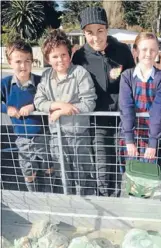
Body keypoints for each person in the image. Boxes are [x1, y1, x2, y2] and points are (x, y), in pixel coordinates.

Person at [72, 6, 135, 196]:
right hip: (97, 121)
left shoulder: (122, 51)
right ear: (84, 33)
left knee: (119, 163)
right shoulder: (80, 56)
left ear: (107, 29)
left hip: (120, 120)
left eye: (100, 31)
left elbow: (132, 82)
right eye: (89, 32)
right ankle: (104, 198)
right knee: (102, 164)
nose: (95, 37)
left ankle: (116, 199)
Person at [34, 29, 97, 195]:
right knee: (63, 175)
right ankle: (68, 210)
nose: (60, 60)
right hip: (57, 136)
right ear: (48, 59)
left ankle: (85, 212)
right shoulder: (46, 77)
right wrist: (60, 105)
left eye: (63, 54)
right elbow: (38, 101)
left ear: (70, 54)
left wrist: (62, 112)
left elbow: (89, 103)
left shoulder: (80, 74)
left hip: (78, 136)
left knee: (82, 174)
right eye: (54, 56)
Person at [1, 39, 53, 192]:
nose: (23, 66)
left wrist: (34, 106)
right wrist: (6, 108)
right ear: (9, 62)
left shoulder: (40, 82)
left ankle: (50, 198)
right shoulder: (5, 84)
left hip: (43, 136)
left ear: (32, 61)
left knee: (49, 168)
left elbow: (50, 99)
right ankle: (34, 197)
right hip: (22, 139)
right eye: (18, 61)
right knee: (29, 172)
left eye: (27, 61)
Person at [119, 32, 161, 172]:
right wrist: (129, 140)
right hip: (131, 133)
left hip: (153, 134)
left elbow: (158, 110)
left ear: (157, 52)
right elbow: (126, 107)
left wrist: (152, 142)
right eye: (144, 49)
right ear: (135, 51)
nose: (148, 53)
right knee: (131, 174)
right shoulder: (127, 76)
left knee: (148, 176)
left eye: (152, 49)